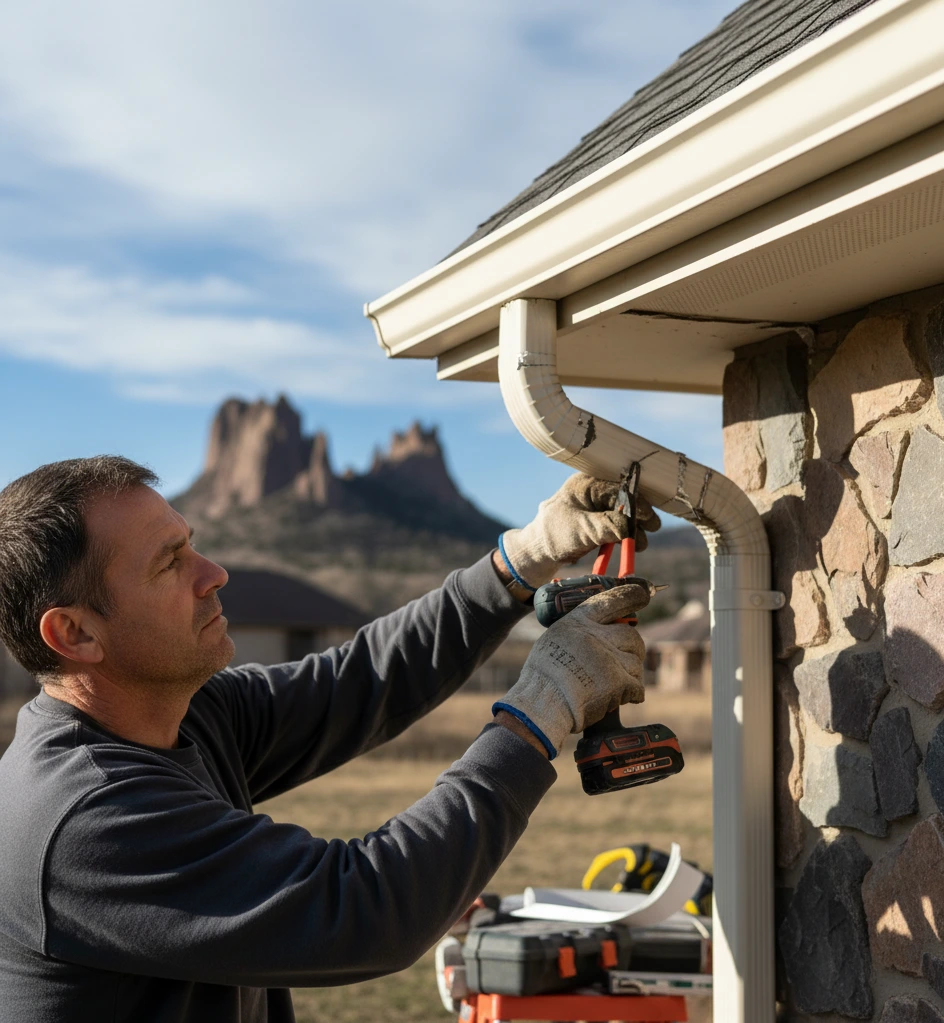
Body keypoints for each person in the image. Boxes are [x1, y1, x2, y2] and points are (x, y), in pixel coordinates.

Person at [0, 455, 659, 1022]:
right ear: (76, 633)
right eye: (171, 563)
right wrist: (543, 705)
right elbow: (363, 905)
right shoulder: (87, 818)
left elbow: (361, 679)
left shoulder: (182, 712)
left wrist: (521, 559)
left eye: (191, 542)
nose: (214, 573)